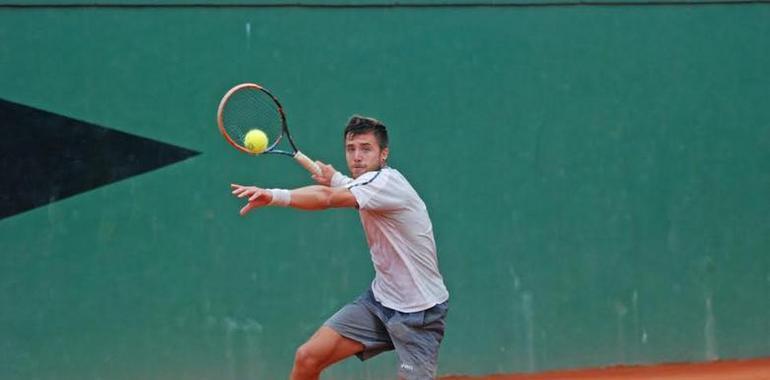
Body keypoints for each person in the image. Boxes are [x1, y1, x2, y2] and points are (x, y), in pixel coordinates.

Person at [230, 115, 449, 380]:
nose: (357, 156)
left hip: (419, 313)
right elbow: (347, 186)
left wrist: (274, 195)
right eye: (351, 149)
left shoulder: (387, 183)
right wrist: (335, 177)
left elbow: (327, 198)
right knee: (307, 358)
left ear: (384, 154)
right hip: (380, 302)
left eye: (366, 149)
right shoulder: (368, 183)